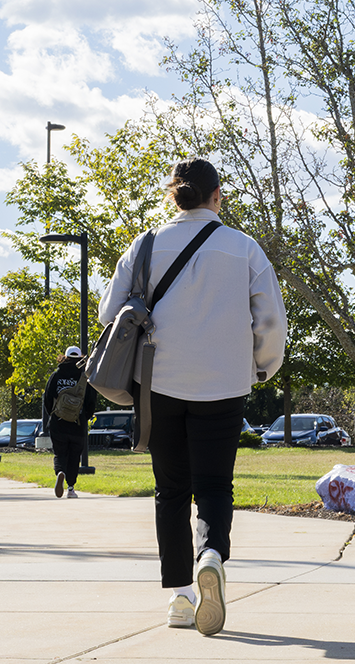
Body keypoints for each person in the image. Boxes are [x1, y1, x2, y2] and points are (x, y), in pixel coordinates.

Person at [100, 158, 285, 637]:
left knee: (171, 489)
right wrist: (261, 365)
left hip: (159, 382)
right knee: (215, 485)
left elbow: (108, 312)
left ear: (173, 195)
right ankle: (212, 555)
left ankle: (181, 597)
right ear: (216, 195)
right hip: (224, 384)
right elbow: (269, 321)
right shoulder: (244, 248)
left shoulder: (144, 246)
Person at [41, 345, 98, 497]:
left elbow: (47, 398)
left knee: (60, 454)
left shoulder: (56, 375)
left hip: (58, 423)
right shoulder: (84, 376)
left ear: (64, 357)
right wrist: (84, 417)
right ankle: (71, 488)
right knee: (74, 456)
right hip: (77, 424)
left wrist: (53, 415)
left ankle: (60, 472)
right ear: (80, 357)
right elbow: (92, 401)